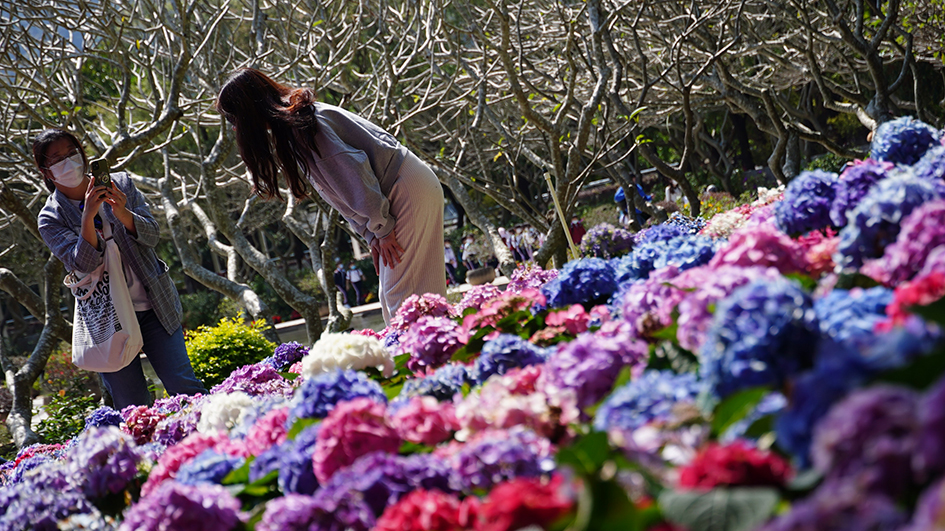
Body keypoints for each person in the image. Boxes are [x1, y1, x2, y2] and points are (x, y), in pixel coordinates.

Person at [216, 68, 447, 323]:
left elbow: (354, 174)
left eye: (232, 118)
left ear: (248, 111)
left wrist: (381, 227)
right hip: (402, 188)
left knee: (404, 306)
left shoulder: (303, 123)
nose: (235, 127)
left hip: (402, 189)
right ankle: (446, 356)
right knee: (407, 300)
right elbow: (345, 188)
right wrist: (373, 233)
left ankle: (439, 357)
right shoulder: (297, 121)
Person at [34, 129, 206, 410]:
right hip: (106, 322)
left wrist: (123, 213)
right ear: (47, 171)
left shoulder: (122, 184)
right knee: (132, 406)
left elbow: (152, 236)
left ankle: (217, 445)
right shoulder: (50, 217)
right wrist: (88, 214)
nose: (68, 161)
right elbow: (82, 263)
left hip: (154, 306)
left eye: (71, 152)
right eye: (57, 159)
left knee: (184, 387)